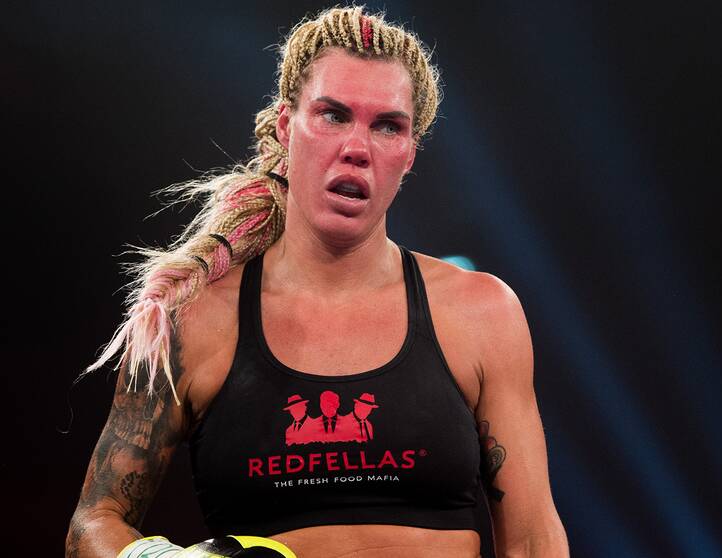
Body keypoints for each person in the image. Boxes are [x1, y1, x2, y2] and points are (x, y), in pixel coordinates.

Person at [65, 5, 569, 558]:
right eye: (333, 115)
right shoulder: (192, 319)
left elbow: (533, 541)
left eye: (387, 126)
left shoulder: (481, 311)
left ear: (409, 154)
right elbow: (94, 521)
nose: (357, 148)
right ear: (286, 127)